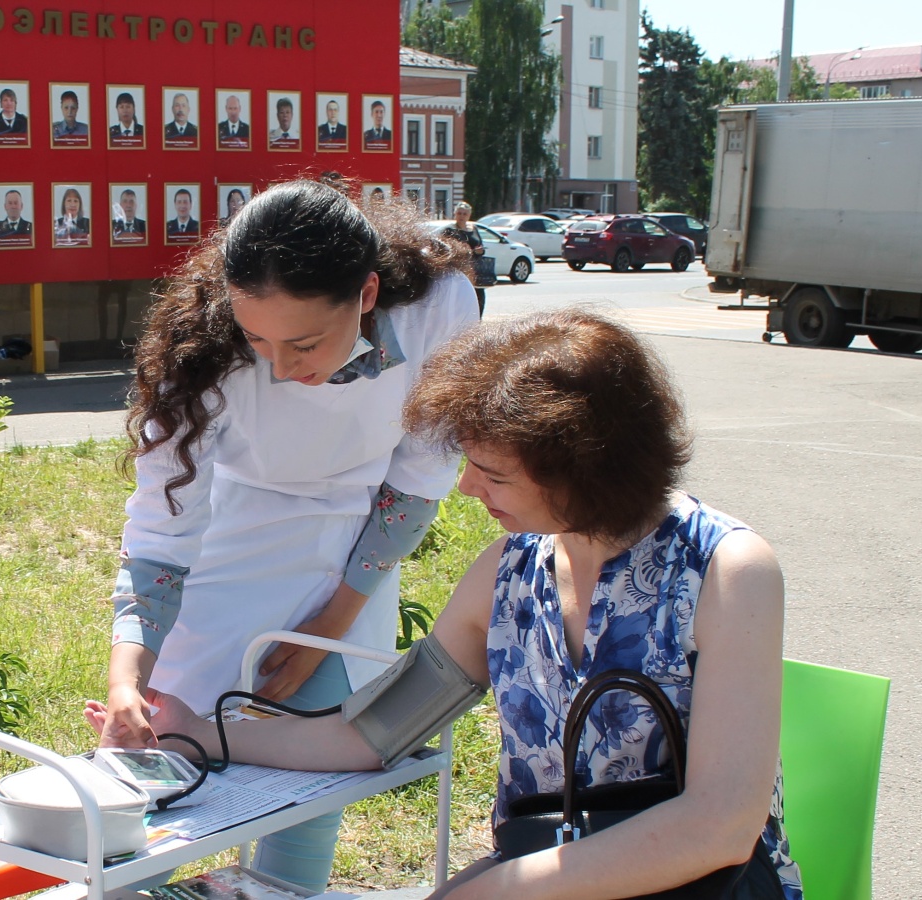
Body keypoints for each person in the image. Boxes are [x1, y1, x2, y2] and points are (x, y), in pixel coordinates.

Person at [88, 309, 800, 900]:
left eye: (491, 473)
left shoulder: (727, 571)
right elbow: (372, 734)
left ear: (586, 466)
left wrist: (488, 889)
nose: (466, 491)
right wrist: (202, 733)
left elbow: (720, 828)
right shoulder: (509, 574)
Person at [99, 180, 479, 894]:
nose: (280, 367)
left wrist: (331, 619)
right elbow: (161, 527)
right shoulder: (198, 346)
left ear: (366, 295)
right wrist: (127, 676)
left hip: (358, 544)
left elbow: (421, 477)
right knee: (155, 785)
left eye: (303, 342)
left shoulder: (439, 306)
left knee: (306, 783)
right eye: (257, 341)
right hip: (231, 543)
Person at [441, 200, 487, 314]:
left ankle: (477, 324)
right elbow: (443, 249)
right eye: (459, 213)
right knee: (461, 300)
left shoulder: (474, 229)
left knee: (479, 297)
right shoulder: (449, 230)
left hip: (475, 270)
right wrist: (463, 251)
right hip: (458, 270)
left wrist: (479, 251)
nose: (461, 216)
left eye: (464, 214)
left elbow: (480, 246)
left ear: (469, 215)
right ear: (455, 214)